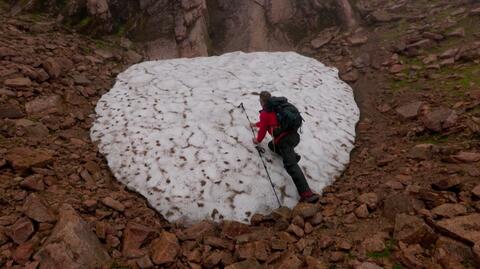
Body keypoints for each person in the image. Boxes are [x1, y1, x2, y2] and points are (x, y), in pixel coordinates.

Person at [251, 91, 319, 203]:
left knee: (290, 165)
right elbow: (266, 123)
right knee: (271, 145)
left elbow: (263, 130)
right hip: (294, 136)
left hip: (285, 141)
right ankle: (293, 156)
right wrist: (256, 124)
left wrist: (257, 140)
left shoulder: (265, 113)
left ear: (261, 101)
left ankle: (307, 194)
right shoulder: (276, 107)